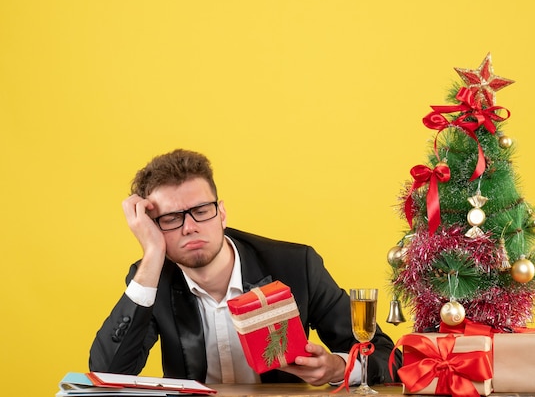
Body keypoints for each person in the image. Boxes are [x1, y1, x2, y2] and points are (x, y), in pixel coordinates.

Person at [89, 149, 400, 386]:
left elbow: (387, 357)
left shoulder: (294, 265)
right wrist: (153, 253)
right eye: (171, 219)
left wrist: (338, 367)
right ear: (152, 226)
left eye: (201, 210)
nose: (189, 227)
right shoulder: (151, 278)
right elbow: (107, 373)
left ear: (222, 213)